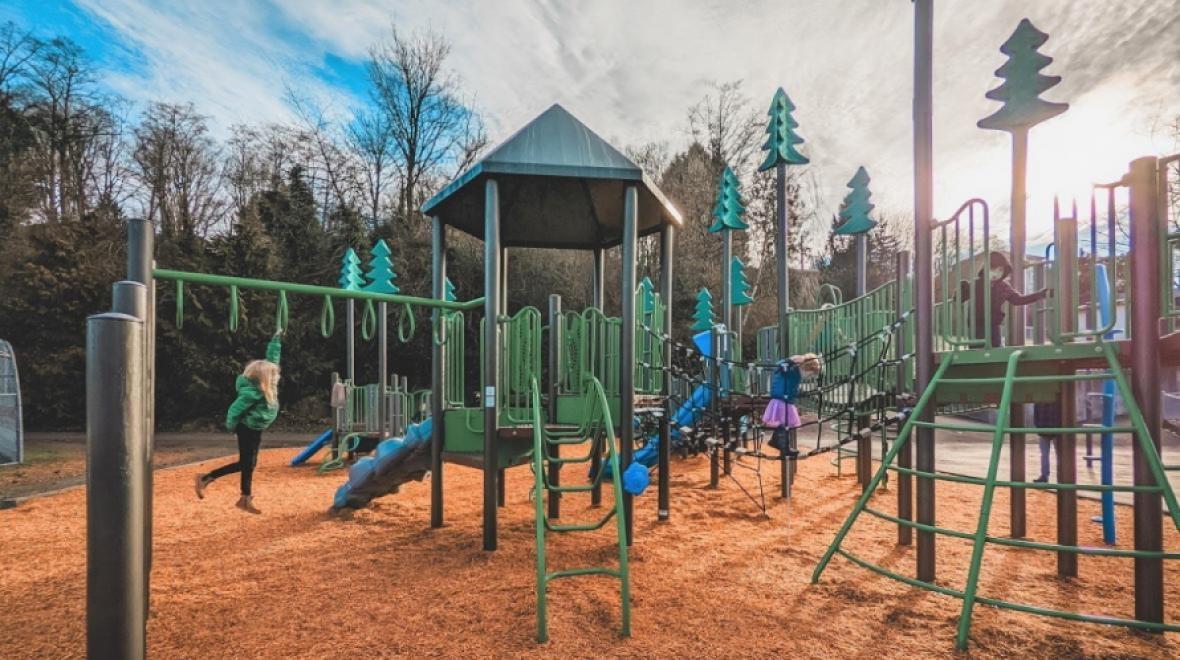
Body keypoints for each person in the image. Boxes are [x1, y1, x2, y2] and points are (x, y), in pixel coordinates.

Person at [195, 332, 282, 513]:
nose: (277, 375)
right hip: (247, 428)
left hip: (256, 428)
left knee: (249, 464)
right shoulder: (251, 392)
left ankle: (243, 497)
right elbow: (235, 410)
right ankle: (208, 479)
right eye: (273, 375)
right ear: (264, 379)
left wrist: (276, 339)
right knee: (247, 463)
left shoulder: (268, 385)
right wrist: (232, 425)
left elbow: (272, 360)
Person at [961, 252, 1050, 347]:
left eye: (1000, 270)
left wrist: (1040, 294)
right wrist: (961, 289)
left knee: (996, 349)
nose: (996, 274)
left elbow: (1018, 300)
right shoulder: (975, 284)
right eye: (992, 269)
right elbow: (960, 298)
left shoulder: (1003, 286)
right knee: (977, 351)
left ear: (1004, 271)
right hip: (976, 326)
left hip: (994, 326)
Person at [763, 353, 823, 456]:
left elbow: (792, 386)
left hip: (786, 399)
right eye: (809, 373)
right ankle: (784, 447)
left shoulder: (796, 374)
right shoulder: (791, 369)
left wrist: (799, 392)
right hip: (781, 398)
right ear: (805, 367)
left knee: (784, 424)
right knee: (785, 424)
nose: (809, 377)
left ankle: (775, 441)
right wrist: (790, 360)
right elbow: (779, 366)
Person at [1032, 401, 1060, 483]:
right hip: (1053, 429)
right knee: (1050, 455)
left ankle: (1045, 476)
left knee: (1045, 455)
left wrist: (1038, 427)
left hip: (1048, 429)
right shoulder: (1056, 399)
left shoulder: (1040, 399)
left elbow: (1035, 414)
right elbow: (1036, 414)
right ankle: (1046, 475)